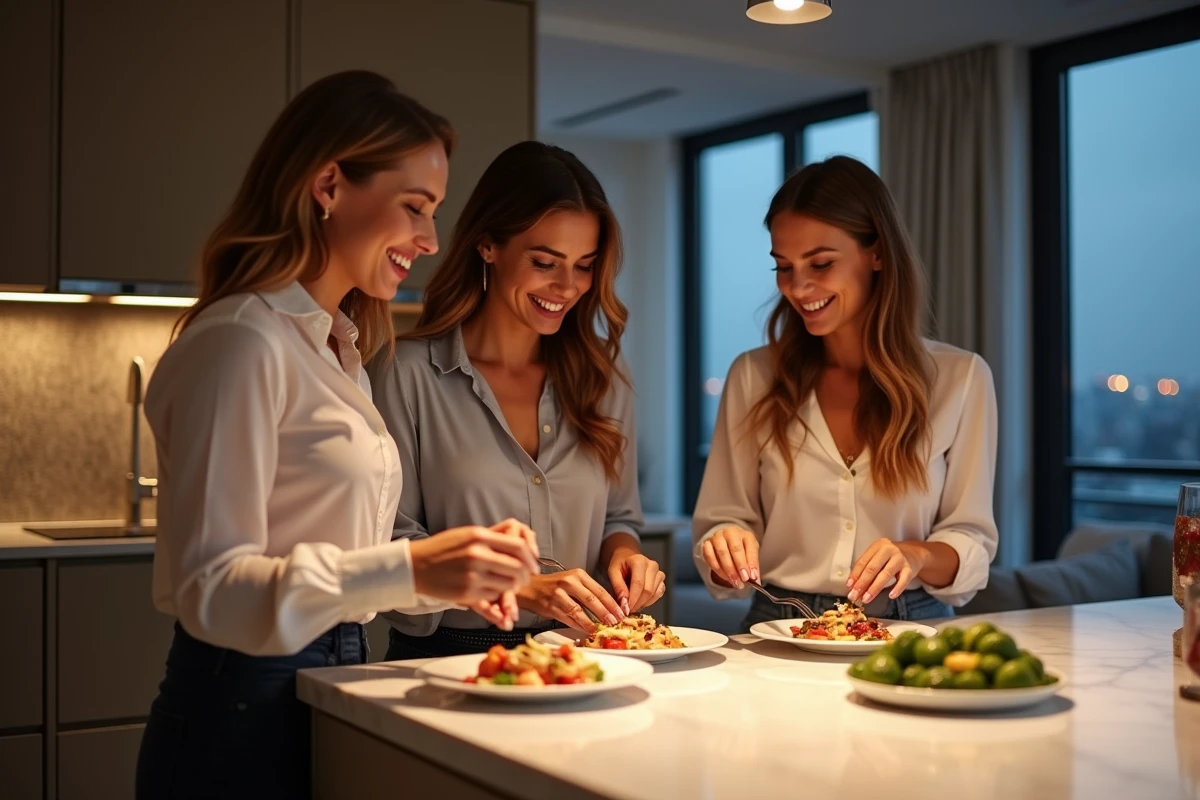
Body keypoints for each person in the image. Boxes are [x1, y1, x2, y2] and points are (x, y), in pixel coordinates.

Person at [135, 71, 539, 800]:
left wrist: (452, 573)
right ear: (328, 186)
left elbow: (343, 562)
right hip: (239, 706)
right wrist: (413, 568)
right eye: (415, 207)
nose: (430, 240)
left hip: (333, 672)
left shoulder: (338, 347)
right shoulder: (241, 342)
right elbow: (211, 589)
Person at [371, 141, 664, 660]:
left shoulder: (603, 376)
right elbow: (390, 544)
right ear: (488, 245)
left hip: (580, 659)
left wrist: (625, 555)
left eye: (584, 265)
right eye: (545, 261)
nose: (567, 287)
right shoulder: (405, 373)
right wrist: (515, 586)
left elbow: (620, 517)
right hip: (445, 663)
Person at [692, 155, 998, 631]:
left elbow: (971, 540)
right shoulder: (753, 376)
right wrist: (724, 544)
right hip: (778, 621)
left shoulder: (961, 378)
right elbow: (721, 523)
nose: (798, 287)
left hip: (909, 624)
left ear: (877, 253)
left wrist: (915, 555)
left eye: (821, 263)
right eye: (783, 266)